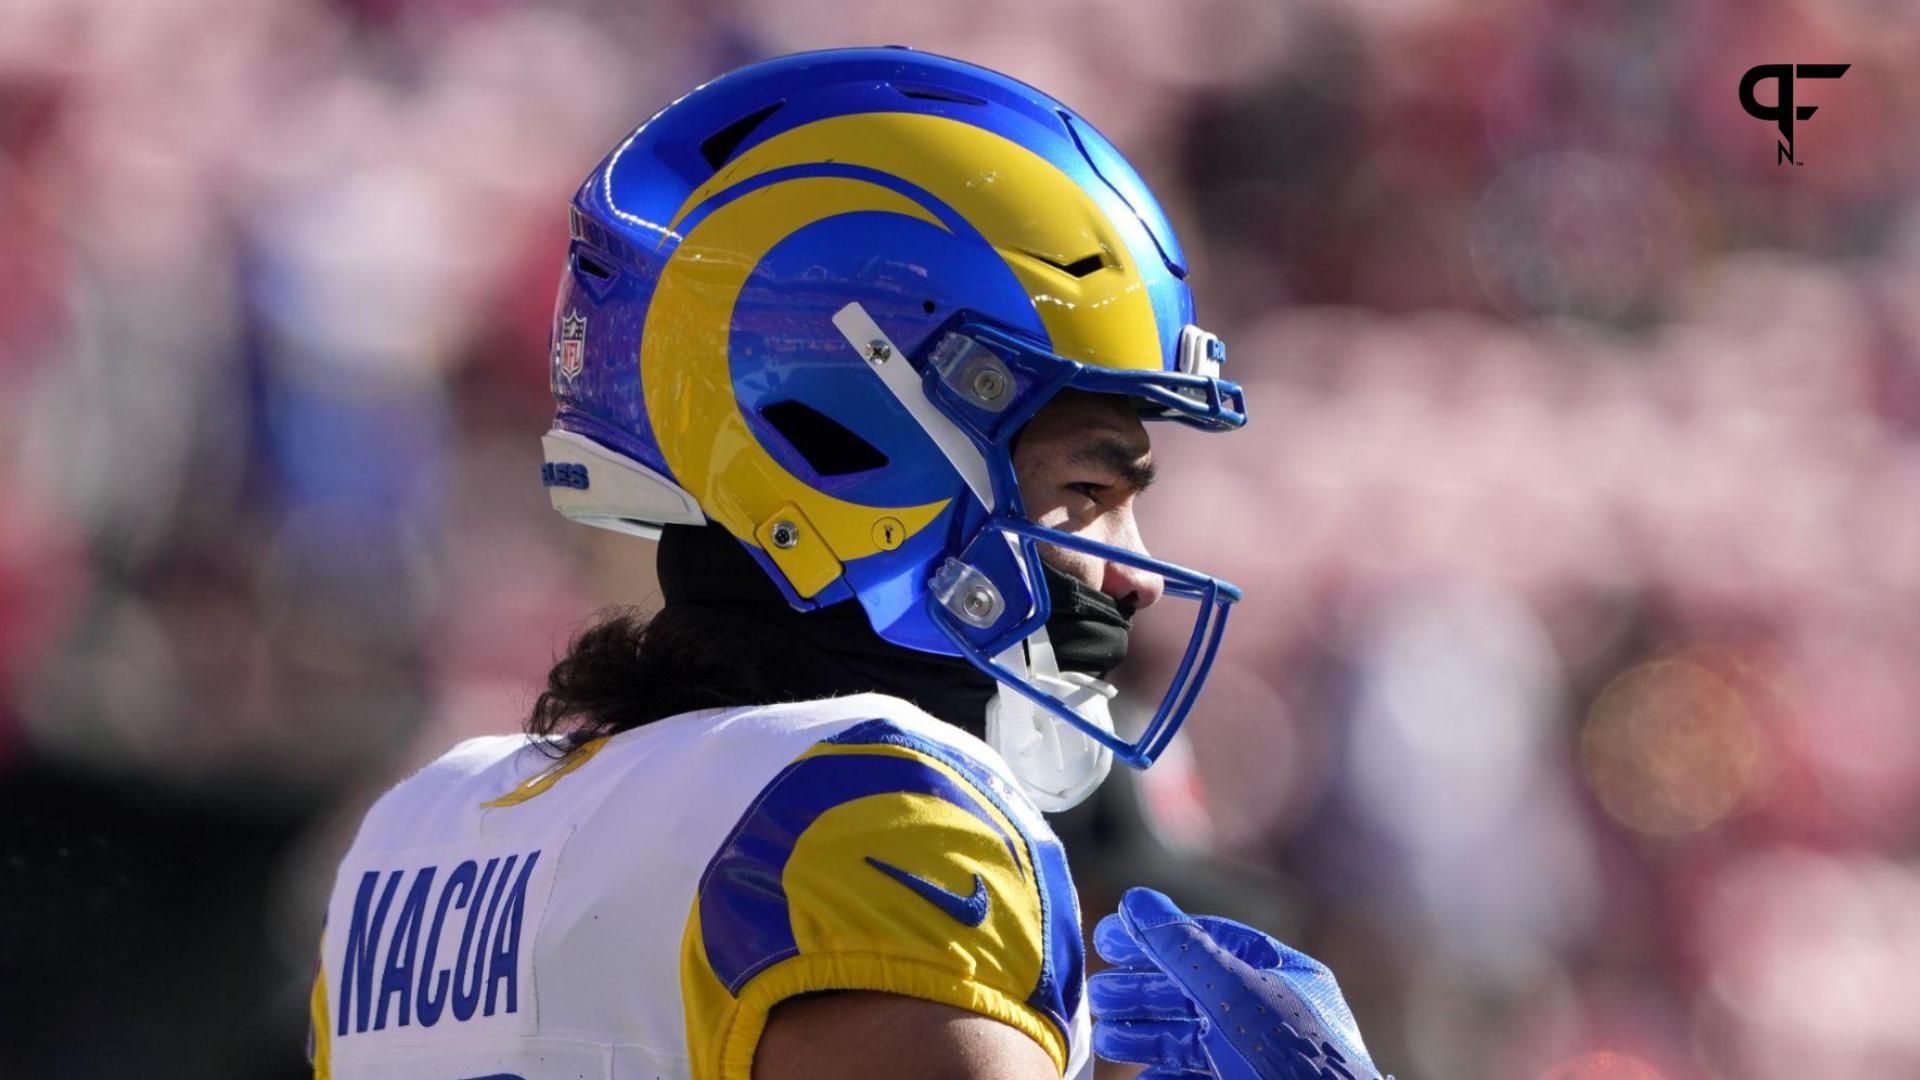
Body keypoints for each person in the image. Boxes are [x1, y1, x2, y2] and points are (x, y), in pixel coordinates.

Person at [307, 47, 1387, 1080]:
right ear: (854, 440)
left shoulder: (426, 829)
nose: (1135, 576)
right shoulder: (872, 809)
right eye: (1093, 494)